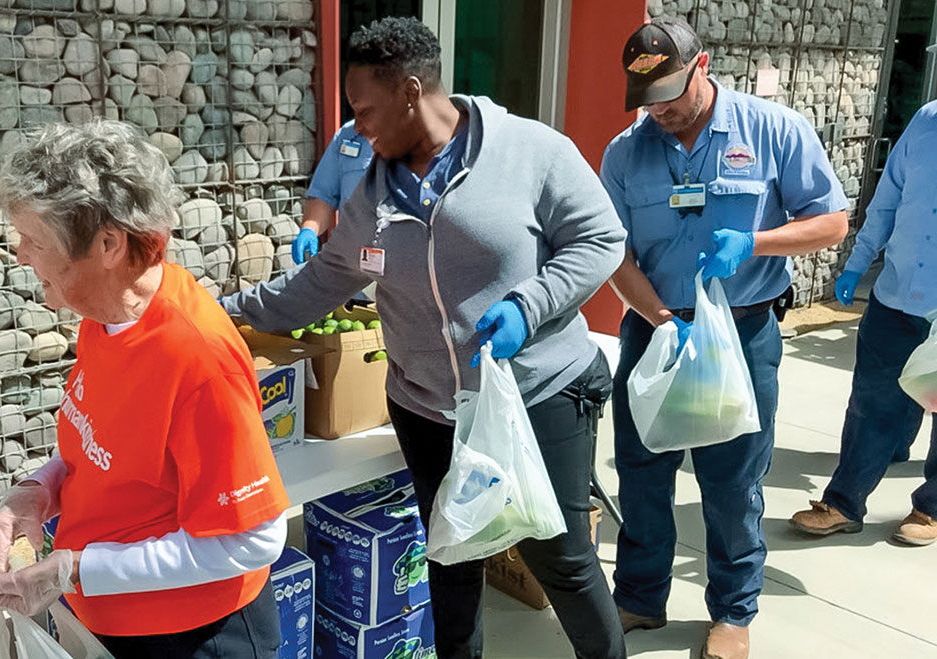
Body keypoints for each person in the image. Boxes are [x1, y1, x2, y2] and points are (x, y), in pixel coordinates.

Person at [224, 16, 628, 659]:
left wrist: (532, 305)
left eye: (366, 110)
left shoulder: (530, 149)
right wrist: (220, 312)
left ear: (412, 91)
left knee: (564, 562)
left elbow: (601, 238)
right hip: (427, 408)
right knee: (452, 558)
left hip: (537, 395)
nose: (357, 127)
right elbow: (320, 283)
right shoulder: (372, 196)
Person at [0, 119, 290, 659]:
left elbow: (254, 539)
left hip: (195, 636)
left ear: (109, 244)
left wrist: (77, 569)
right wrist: (38, 488)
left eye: (34, 239)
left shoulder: (198, 362)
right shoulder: (106, 315)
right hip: (116, 616)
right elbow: (106, 442)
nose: (19, 254)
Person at [600, 17, 849, 659]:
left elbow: (831, 221)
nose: (660, 113)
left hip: (742, 330)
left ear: (703, 66)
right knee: (644, 470)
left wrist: (756, 243)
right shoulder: (626, 152)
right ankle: (639, 597)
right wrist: (659, 319)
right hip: (657, 329)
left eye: (672, 96)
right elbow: (615, 254)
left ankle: (733, 612)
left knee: (733, 478)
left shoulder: (774, 129)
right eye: (647, 101)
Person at [789, 95, 937, 547]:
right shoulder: (926, 120)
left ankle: (930, 508)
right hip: (897, 293)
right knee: (871, 401)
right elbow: (889, 198)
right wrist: (858, 262)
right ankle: (844, 503)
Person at [292, 120, 374, 264]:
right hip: (353, 259)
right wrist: (309, 230)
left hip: (400, 265)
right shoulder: (347, 134)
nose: (358, 124)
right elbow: (324, 195)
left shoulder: (417, 136)